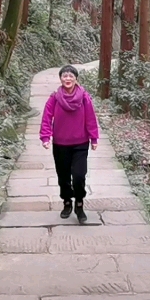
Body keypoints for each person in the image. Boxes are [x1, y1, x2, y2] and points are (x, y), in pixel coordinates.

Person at [40, 64, 99, 224]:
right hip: (60, 143)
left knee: (79, 176)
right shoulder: (54, 98)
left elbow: (91, 118)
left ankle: (79, 204)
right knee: (63, 176)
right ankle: (67, 202)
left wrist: (94, 138)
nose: (67, 79)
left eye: (70, 76)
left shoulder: (84, 97)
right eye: (64, 76)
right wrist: (45, 136)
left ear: (75, 79)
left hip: (80, 143)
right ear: (60, 79)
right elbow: (47, 117)